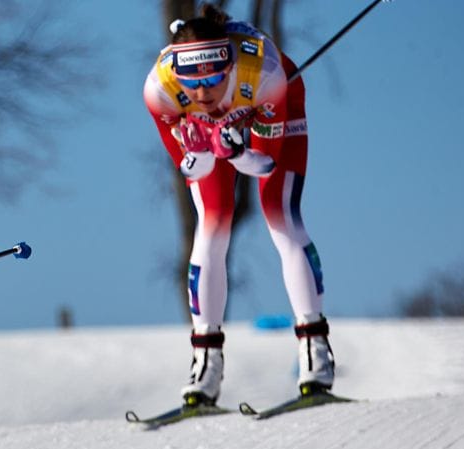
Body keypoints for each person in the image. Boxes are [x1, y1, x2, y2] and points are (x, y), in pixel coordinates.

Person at [143, 3, 335, 407]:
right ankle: (206, 363)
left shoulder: (262, 74)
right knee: (212, 225)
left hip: (274, 109)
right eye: (190, 83)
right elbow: (191, 171)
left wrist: (232, 149)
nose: (202, 93)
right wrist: (200, 154)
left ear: (228, 66)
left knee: (279, 213)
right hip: (219, 135)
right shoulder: (160, 92)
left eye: (213, 78)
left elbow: (263, 161)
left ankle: (315, 351)